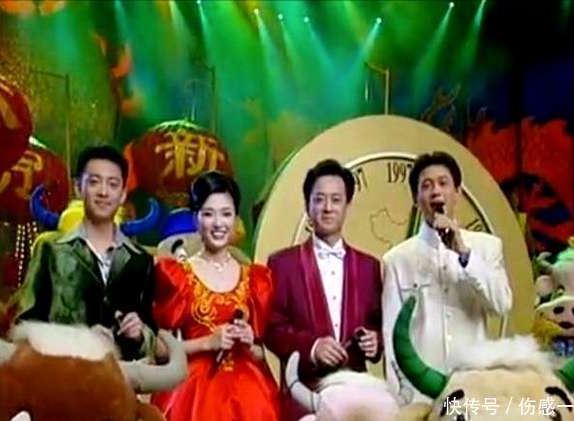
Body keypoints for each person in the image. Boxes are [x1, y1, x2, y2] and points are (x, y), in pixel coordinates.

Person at [381, 151, 513, 404]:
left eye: (443, 183)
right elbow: (391, 335)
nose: (435, 192)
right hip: (421, 395)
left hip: (474, 389)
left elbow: (502, 304)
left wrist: (464, 254)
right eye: (426, 186)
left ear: (457, 193)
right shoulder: (397, 260)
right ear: (416, 198)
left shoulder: (487, 247)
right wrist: (401, 398)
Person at [151, 171, 279, 421]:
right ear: (196, 218)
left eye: (226, 214)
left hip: (249, 389)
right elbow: (160, 349)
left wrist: (250, 343)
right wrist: (207, 343)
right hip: (193, 390)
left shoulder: (255, 278)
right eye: (209, 214)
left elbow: (264, 354)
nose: (218, 223)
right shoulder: (178, 275)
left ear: (236, 219)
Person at [264, 159, 383, 421]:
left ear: (347, 206)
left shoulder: (369, 266)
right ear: (307, 205)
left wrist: (375, 342)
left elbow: (379, 325)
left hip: (357, 401)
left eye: (336, 200)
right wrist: (312, 347)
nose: (328, 208)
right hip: (304, 396)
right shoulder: (282, 263)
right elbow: (271, 329)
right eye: (319, 199)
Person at [15, 145, 156, 361]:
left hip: (119, 376)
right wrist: (80, 339)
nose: (103, 192)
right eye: (94, 182)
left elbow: (151, 335)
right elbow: (24, 326)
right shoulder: (51, 251)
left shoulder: (141, 260)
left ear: (122, 194)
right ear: (78, 188)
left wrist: (140, 335)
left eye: (113, 184)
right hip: (62, 373)